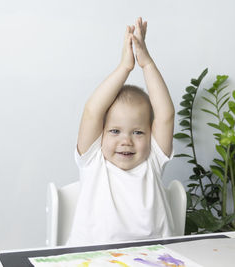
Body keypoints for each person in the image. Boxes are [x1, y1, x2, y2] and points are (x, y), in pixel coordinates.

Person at [67, 17, 175, 246]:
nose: (126, 141)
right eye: (115, 131)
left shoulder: (152, 160)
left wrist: (147, 64)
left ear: (151, 134)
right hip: (92, 260)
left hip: (153, 259)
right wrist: (125, 67)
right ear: (101, 134)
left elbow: (165, 115)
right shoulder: (93, 161)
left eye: (138, 133)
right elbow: (92, 111)